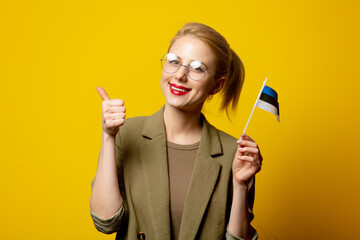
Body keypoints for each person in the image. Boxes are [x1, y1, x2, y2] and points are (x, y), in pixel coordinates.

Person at [90, 22, 262, 240]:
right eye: (174, 62)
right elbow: (106, 222)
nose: (180, 75)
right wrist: (108, 136)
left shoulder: (233, 153)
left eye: (197, 68)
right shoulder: (126, 133)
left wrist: (240, 186)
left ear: (217, 85)